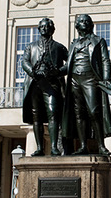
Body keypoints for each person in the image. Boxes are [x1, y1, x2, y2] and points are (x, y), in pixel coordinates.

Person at [61, 14, 111, 155]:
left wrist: (106, 78)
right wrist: (53, 72)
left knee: (94, 111)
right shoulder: (74, 44)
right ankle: (83, 145)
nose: (83, 23)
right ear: (77, 26)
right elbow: (67, 66)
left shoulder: (98, 41)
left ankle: (101, 145)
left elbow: (105, 60)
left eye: (86, 21)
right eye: (80, 21)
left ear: (91, 25)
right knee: (79, 114)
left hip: (90, 79)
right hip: (74, 80)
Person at [22, 18, 68, 156]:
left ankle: (54, 147)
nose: (44, 28)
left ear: (52, 29)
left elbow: (69, 64)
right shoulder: (31, 46)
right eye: (42, 26)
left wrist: (58, 72)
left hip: (51, 84)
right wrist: (33, 71)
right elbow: (24, 61)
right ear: (39, 29)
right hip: (35, 83)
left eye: (48, 26)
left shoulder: (59, 47)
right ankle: (39, 148)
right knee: (36, 116)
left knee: (53, 113)